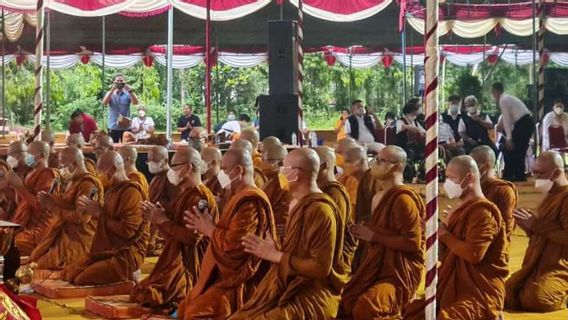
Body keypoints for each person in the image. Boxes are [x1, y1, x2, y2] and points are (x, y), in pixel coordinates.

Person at [230, 148, 347, 320]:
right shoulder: (297, 203)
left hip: (311, 292)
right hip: (290, 285)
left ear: (296, 174)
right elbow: (295, 251)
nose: (280, 172)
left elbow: (321, 268)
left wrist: (276, 255)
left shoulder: (320, 209)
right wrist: (275, 249)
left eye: (284, 168)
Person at [405, 155, 508, 320]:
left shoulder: (483, 212)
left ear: (469, 178)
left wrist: (444, 234)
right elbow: (444, 257)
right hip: (452, 287)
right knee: (411, 314)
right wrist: (434, 235)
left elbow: (474, 255)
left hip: (478, 291)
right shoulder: (459, 211)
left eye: (451, 178)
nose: (447, 183)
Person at [178, 148, 276, 319]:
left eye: (224, 169)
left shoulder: (250, 201)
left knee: (195, 312)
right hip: (222, 274)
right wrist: (210, 226)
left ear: (238, 171)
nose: (220, 175)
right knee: (185, 307)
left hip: (237, 281)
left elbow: (236, 248)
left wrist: (209, 229)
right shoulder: (238, 196)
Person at [340, 145, 425, 319]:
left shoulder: (403, 200)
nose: (374, 164)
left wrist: (374, 236)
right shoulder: (378, 196)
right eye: (376, 159)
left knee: (366, 306)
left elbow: (413, 243)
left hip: (397, 273)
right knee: (347, 301)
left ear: (396, 166)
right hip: (375, 266)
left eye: (380, 160)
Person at [131, 148, 218, 309]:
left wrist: (162, 220)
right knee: (141, 292)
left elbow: (192, 239)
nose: (171, 171)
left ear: (188, 168)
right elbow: (173, 234)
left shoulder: (199, 198)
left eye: (174, 166)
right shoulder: (186, 194)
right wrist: (155, 218)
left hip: (192, 264)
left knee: (152, 296)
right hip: (176, 257)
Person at [62, 151, 149, 285]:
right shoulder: (112, 190)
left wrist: (99, 213)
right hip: (107, 251)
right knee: (68, 273)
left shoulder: (132, 193)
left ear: (113, 170)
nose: (99, 175)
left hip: (126, 253)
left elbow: (128, 232)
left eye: (101, 171)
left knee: (81, 279)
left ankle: (129, 277)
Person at [505, 151, 568, 312]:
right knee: (505, 294)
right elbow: (544, 236)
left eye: (540, 173)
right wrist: (529, 228)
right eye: (534, 172)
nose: (535, 177)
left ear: (556, 173)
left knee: (537, 299)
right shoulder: (549, 196)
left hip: (560, 266)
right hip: (538, 264)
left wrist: (536, 224)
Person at [31, 147, 103, 270]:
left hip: (77, 239)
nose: (60, 168)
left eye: (62, 163)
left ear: (74, 163)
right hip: (64, 235)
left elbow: (82, 218)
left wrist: (53, 206)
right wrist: (52, 199)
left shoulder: (88, 184)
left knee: (39, 268)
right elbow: (68, 204)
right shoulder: (74, 181)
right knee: (35, 259)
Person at [4, 141, 58, 256]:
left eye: (29, 153)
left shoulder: (47, 175)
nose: (26, 156)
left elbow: (40, 204)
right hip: (24, 224)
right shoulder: (31, 173)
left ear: (42, 156)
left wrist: (20, 186)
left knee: (11, 243)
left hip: (36, 227)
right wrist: (16, 186)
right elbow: (21, 203)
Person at [315, 146, 356, 276]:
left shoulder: (334, 194)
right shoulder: (321, 189)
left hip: (331, 260)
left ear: (324, 166)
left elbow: (332, 234)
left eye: (312, 164)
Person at [471, 145, 518, 240]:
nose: (469, 169)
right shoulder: (475, 187)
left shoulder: (504, 190)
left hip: (494, 245)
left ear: (486, 165)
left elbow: (506, 226)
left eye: (473, 165)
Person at [491, 82, 535, 181]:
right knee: (516, 150)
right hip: (523, 123)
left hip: (524, 123)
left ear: (495, 92)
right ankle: (514, 175)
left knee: (516, 149)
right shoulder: (507, 98)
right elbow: (509, 120)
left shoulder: (504, 100)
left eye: (493, 93)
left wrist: (509, 139)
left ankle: (515, 175)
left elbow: (506, 120)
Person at [146, 145, 177, 256]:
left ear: (166, 160)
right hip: (153, 224)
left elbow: (175, 206)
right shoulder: (156, 178)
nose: (150, 163)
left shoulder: (172, 179)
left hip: (165, 229)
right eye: (148, 160)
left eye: (154, 160)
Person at [260, 144, 290, 241]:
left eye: (266, 160)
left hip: (278, 234)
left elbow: (285, 212)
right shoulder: (270, 180)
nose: (262, 164)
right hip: (266, 229)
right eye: (262, 159)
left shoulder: (284, 183)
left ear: (280, 163)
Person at [103, 74, 139, 143]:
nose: (119, 82)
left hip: (126, 127)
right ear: (114, 82)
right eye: (117, 81)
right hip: (113, 126)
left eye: (121, 81)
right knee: (112, 148)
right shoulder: (110, 93)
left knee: (127, 149)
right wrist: (112, 90)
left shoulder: (128, 94)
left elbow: (135, 103)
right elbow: (104, 103)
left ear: (124, 82)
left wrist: (130, 91)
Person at [337, 146, 369, 214]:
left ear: (362, 162)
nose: (343, 165)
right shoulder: (345, 178)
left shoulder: (372, 183)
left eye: (348, 161)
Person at [396, 98, 426, 164]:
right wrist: (416, 130)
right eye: (414, 113)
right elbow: (403, 128)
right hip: (404, 146)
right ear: (409, 112)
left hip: (417, 145)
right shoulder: (400, 121)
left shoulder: (415, 122)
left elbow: (423, 132)